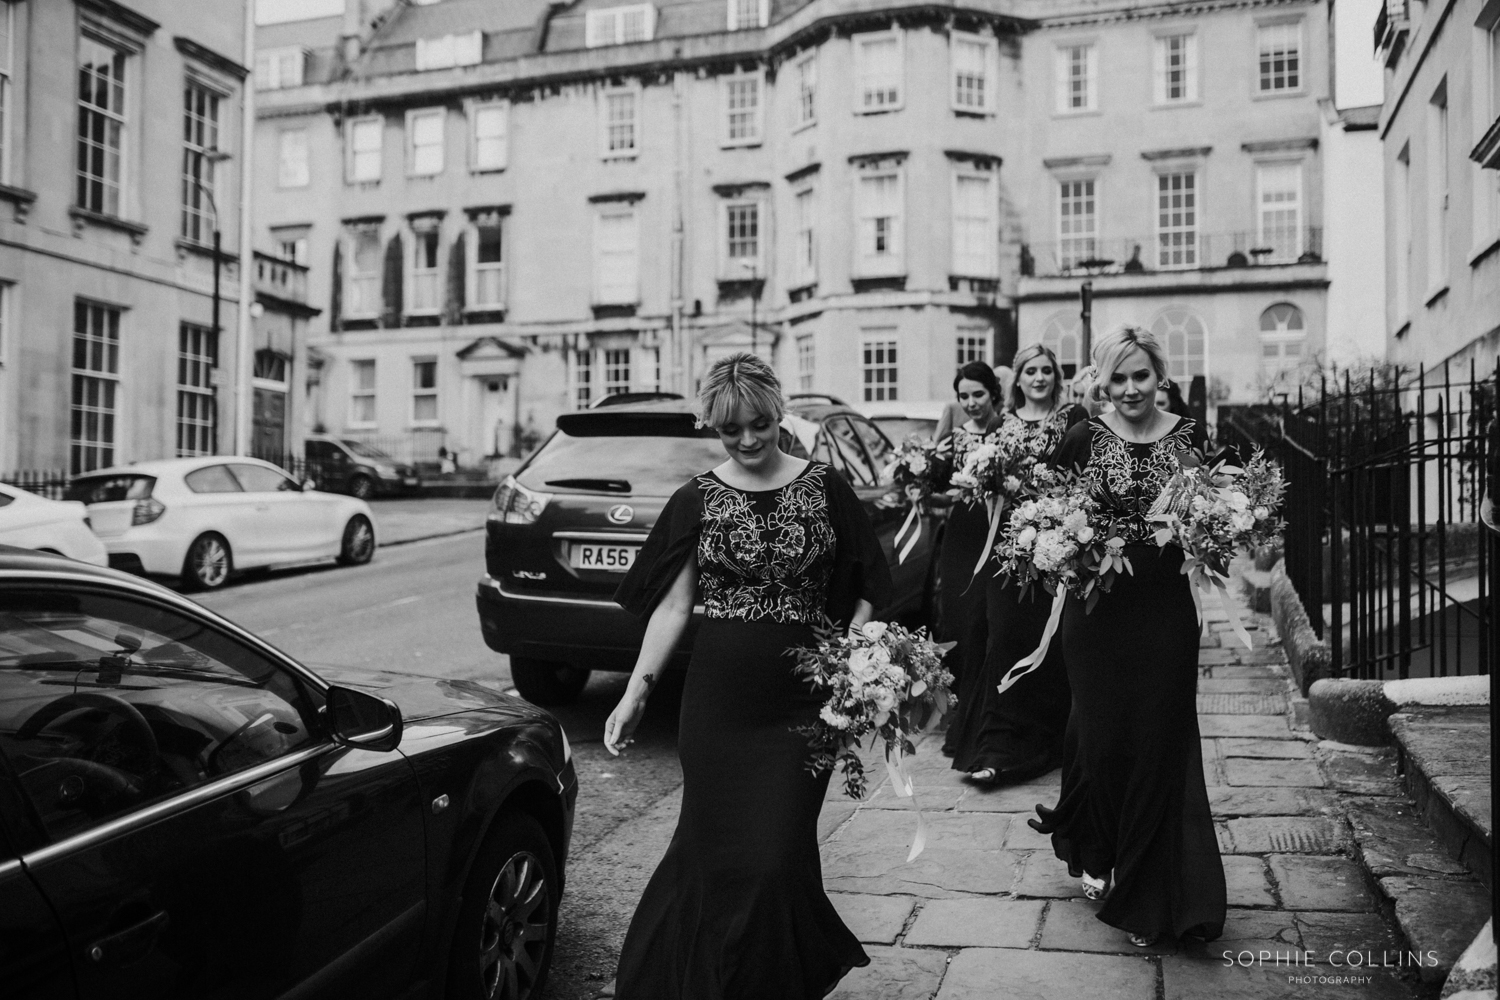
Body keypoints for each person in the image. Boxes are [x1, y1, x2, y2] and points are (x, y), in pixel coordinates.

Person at [604, 353, 889, 1000]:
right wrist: (635, 691)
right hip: (718, 708)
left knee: (775, 860)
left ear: (778, 413)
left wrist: (852, 658)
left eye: (760, 423)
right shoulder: (696, 498)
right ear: (714, 426)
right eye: (732, 429)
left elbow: (871, 582)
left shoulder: (824, 487)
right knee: (718, 856)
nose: (749, 440)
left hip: (805, 705)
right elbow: (674, 605)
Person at [1029, 326, 1226, 948]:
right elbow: (1040, 509)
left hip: (1166, 612)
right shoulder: (1085, 436)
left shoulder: (1189, 437)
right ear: (1101, 382)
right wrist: (1058, 544)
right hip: (1095, 615)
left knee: (1159, 742)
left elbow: (1217, 511)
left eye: (1141, 375)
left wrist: (1220, 528)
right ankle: (1098, 844)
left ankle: (1147, 892)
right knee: (1105, 739)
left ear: (1159, 376)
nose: (1131, 388)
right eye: (1118, 378)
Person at [950, 344, 1087, 783]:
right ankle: (999, 746)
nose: (1039, 378)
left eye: (1047, 370)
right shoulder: (1003, 425)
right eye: (1031, 370)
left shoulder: (1073, 419)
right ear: (1018, 379)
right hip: (1007, 546)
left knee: (1049, 641)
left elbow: (1080, 477)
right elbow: (982, 482)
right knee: (1004, 638)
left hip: (1055, 544)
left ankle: (1049, 740)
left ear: (1055, 377)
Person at [931, 361, 1007, 757]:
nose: (972, 402)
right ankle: (964, 716)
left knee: (986, 623)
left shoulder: (1009, 431)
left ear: (993, 393)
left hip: (998, 531)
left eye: (978, 394)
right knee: (960, 620)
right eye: (964, 396)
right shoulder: (955, 438)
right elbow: (940, 488)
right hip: (962, 535)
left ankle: (987, 722)